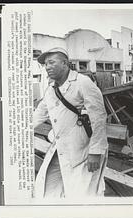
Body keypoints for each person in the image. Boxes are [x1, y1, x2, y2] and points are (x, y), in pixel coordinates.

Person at [34, 47, 108, 201]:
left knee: (82, 196)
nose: (47, 67)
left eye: (51, 62)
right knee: (48, 192)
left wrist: (95, 152)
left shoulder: (83, 83)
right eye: (46, 64)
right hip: (60, 150)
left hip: (84, 150)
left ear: (65, 63)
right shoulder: (51, 89)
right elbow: (39, 114)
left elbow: (99, 118)